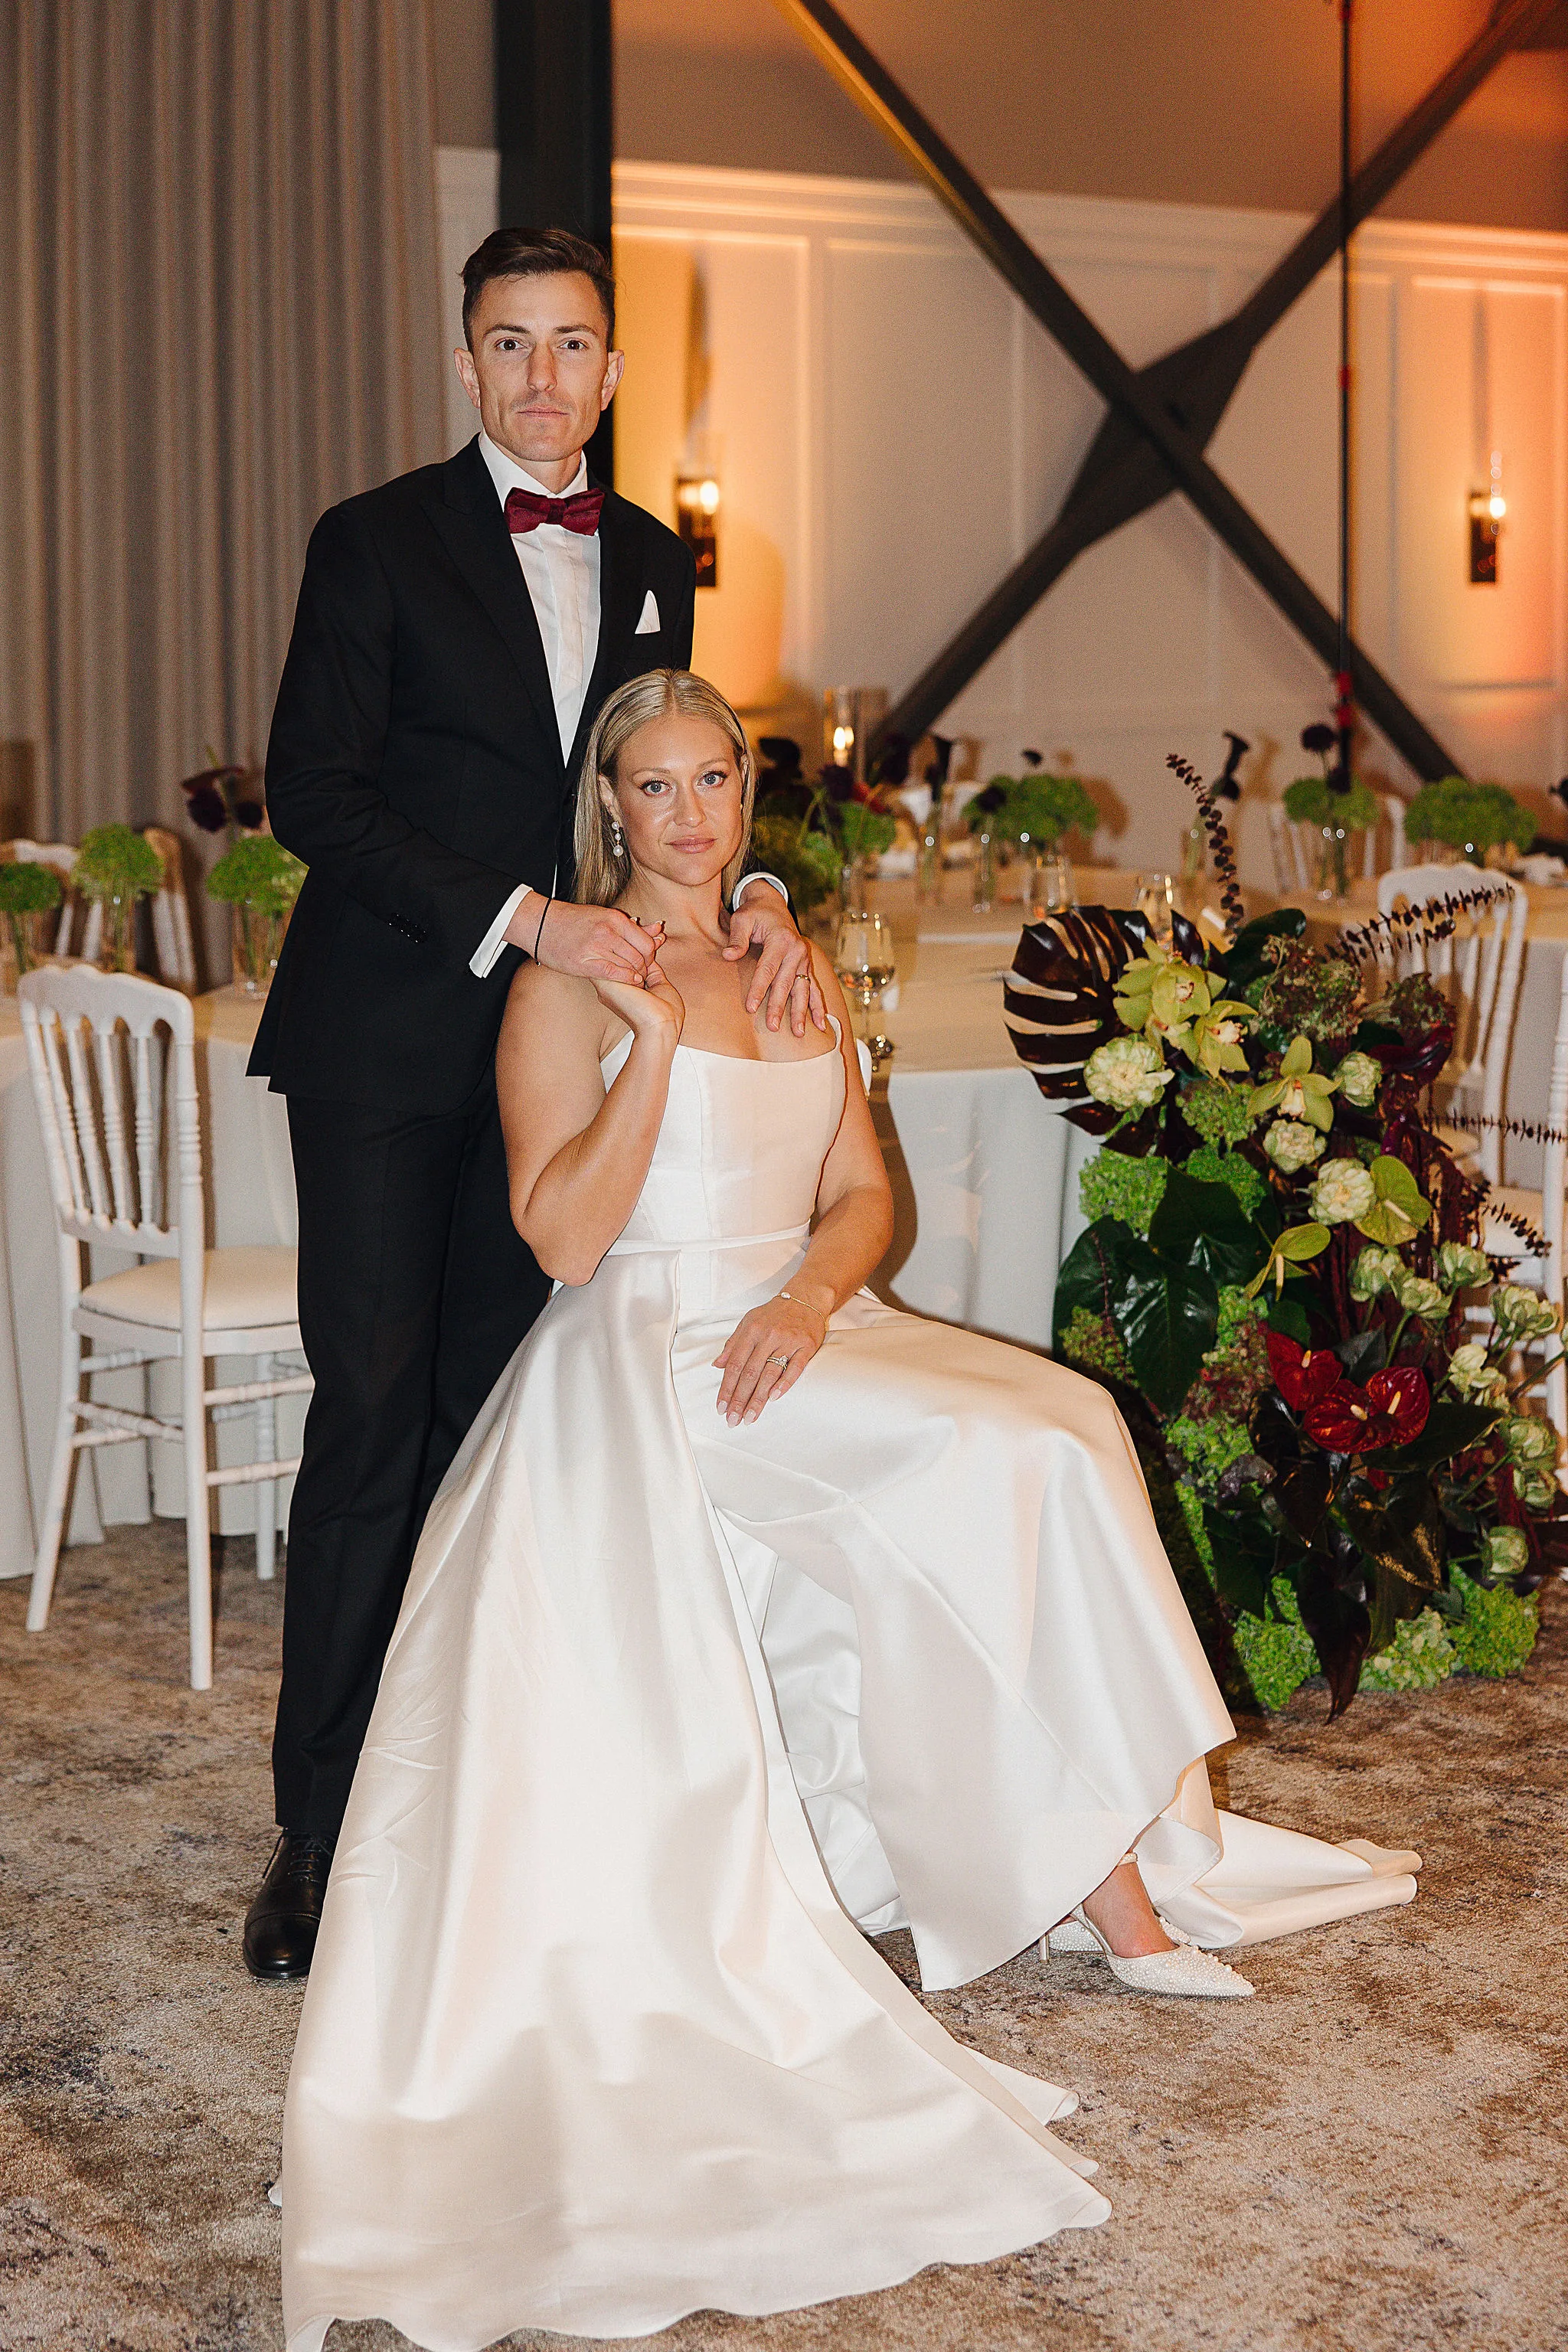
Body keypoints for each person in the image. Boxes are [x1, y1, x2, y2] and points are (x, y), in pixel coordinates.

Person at [276, 670, 1420, 2350]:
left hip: (795, 1332)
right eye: (653, 789)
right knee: (1001, 1460)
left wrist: (814, 1297)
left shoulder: (785, 958)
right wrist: (654, 1044)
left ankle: (1098, 1843)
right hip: (652, 1364)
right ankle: (1110, 1889)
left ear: (749, 795)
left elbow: (863, 1192)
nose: (688, 815)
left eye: (713, 783)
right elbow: (561, 1244)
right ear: (613, 809)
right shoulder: (569, 982)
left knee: (1063, 1419)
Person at [242, 230, 817, 1981]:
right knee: (372, 1426)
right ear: (467, 361)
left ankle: (479, 1804)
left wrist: (759, 899)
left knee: (507, 1437)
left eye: (575, 347)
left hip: (566, 1069)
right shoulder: (373, 541)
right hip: (382, 1046)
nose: (543, 380)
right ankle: (321, 1835)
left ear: (616, 371)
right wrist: (525, 917)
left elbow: (670, 781)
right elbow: (309, 797)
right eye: (511, 346)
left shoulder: (649, 555)